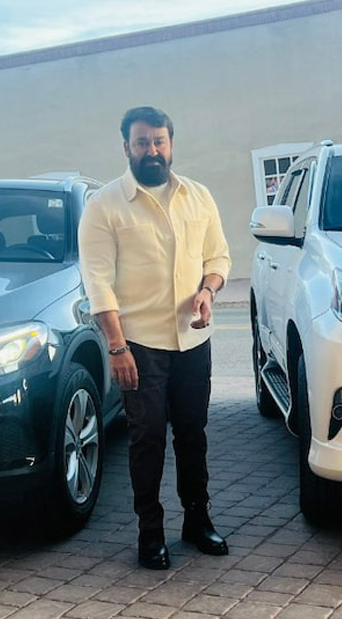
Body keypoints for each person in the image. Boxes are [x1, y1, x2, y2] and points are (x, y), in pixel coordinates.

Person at [78, 106, 232, 570]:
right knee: (146, 440)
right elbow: (98, 282)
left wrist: (207, 291)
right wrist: (117, 346)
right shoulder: (104, 205)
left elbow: (219, 257)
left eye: (159, 141)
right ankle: (150, 532)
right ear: (126, 147)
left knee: (193, 435)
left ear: (171, 144)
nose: (152, 150)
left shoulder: (197, 196)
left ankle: (197, 520)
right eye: (142, 142)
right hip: (140, 346)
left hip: (192, 341)